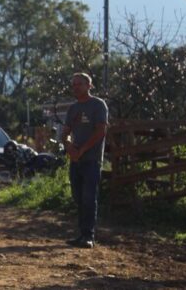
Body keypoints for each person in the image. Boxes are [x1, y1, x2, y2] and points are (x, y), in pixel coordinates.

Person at [61, 72, 108, 249]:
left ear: (89, 85)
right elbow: (65, 132)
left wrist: (82, 149)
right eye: (73, 85)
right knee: (78, 197)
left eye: (79, 84)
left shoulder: (97, 105)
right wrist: (68, 146)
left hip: (91, 159)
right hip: (76, 159)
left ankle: (89, 236)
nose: (75, 87)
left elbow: (101, 131)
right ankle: (81, 233)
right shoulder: (73, 109)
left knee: (89, 197)